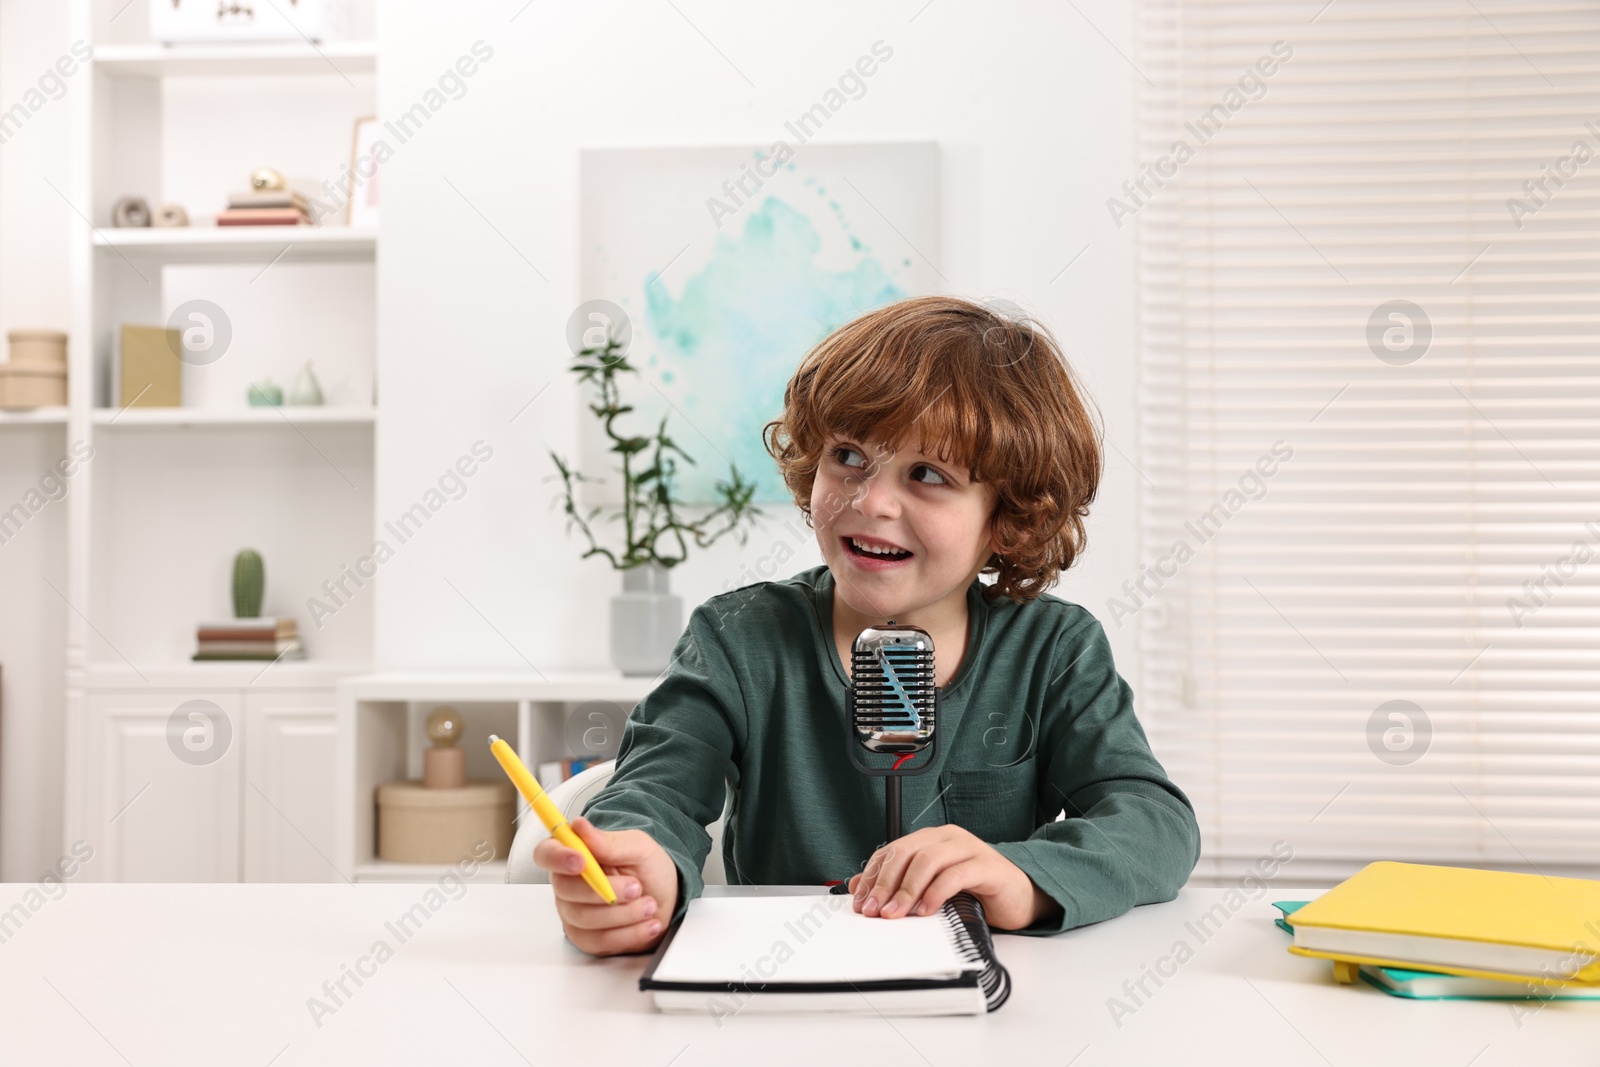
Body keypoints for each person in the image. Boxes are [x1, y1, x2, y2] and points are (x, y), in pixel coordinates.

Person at [533, 294, 1201, 956]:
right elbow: (654, 791)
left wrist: (1022, 875)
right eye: (849, 456)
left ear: (1008, 517)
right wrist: (638, 867)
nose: (871, 500)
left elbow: (1155, 824)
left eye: (928, 474)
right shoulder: (737, 639)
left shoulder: (1053, 650)